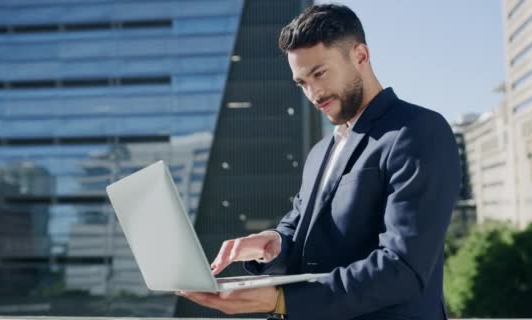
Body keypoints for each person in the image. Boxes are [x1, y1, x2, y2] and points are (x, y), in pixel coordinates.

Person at [177, 4, 460, 319]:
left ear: (360, 56)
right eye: (302, 83)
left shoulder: (417, 131)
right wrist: (274, 242)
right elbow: (299, 225)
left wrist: (281, 300)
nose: (313, 93)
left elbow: (403, 267)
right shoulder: (320, 152)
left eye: (319, 73)